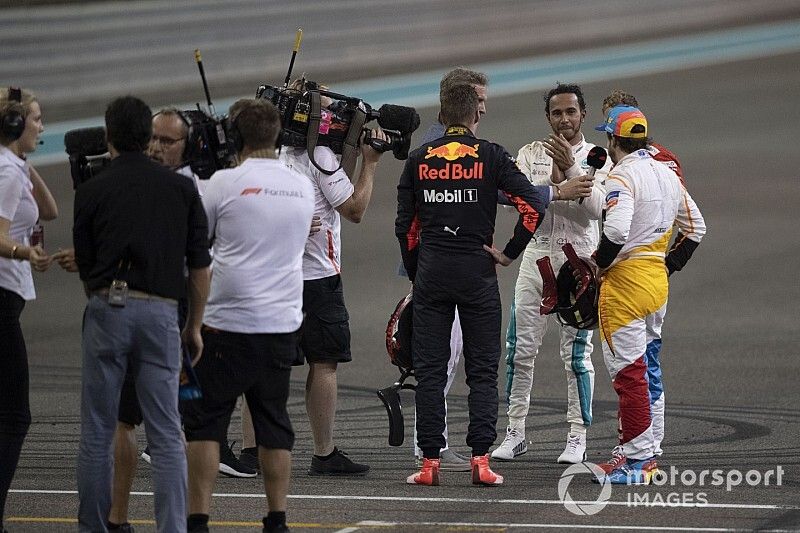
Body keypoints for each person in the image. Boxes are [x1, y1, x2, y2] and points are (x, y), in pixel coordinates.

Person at [397, 83, 594, 486]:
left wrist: (419, 271)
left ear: (443, 113)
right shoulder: (491, 155)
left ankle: (429, 464)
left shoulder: (418, 160)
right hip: (478, 274)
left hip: (433, 274)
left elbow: (406, 228)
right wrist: (509, 251)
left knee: (431, 370)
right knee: (483, 370)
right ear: (475, 116)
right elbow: (531, 203)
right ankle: (481, 462)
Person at [73, 95, 211, 532]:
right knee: (168, 431)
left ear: (110, 135)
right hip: (162, 313)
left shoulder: (92, 187)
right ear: (146, 137)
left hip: (107, 306)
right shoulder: (182, 188)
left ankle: (94, 526)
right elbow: (200, 266)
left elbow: (85, 261)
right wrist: (193, 326)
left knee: (99, 428)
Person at [181, 98, 314, 533]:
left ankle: (197, 518)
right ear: (277, 135)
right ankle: (277, 518)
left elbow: (197, 240)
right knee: (274, 421)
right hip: (280, 324)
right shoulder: (301, 186)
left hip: (223, 324)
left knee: (205, 424)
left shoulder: (221, 183)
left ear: (234, 136)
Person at [492, 83, 611, 464]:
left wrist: (573, 168)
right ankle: (515, 432)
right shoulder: (529, 153)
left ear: (583, 115)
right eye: (557, 113)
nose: (564, 119)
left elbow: (596, 211)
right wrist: (559, 187)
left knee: (576, 355)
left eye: (571, 112)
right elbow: (514, 201)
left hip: (579, 263)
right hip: (536, 258)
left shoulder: (599, 157)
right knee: (518, 351)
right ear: (548, 117)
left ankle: (577, 436)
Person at [278, 79, 389, 477]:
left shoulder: (265, 155)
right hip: (317, 277)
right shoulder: (319, 155)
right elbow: (355, 208)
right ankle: (324, 452)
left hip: (273, 278)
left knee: (266, 367)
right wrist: (370, 164)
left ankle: (251, 454)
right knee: (324, 362)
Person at [592, 105, 705, 484]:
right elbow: (696, 228)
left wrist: (597, 266)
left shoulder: (621, 175)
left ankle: (638, 462)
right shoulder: (665, 171)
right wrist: (666, 264)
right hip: (657, 281)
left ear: (612, 140)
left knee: (629, 373)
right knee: (648, 364)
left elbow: (617, 231)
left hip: (625, 284)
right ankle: (649, 448)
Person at [406, 67, 488, 472]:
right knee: (443, 361)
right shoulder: (442, 148)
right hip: (442, 270)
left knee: (441, 361)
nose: (483, 110)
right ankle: (427, 448)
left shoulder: (431, 145)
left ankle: (430, 446)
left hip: (431, 268)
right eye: (479, 101)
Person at [0, 86, 57, 533]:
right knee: (16, 416)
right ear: (14, 125)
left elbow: (51, 211)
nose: (41, 126)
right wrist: (24, 254)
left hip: (9, 299)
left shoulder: (12, 167)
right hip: (1, 295)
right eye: (35, 119)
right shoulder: (5, 172)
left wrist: (23, 161)